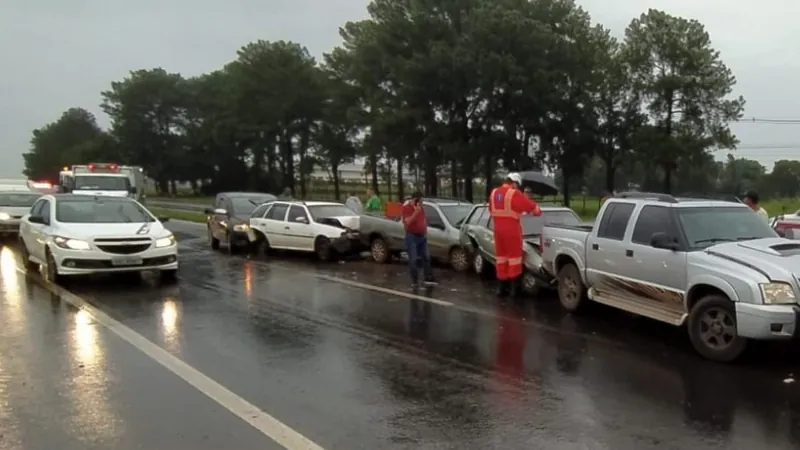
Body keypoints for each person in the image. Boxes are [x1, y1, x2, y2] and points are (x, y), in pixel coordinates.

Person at [489, 172, 541, 298]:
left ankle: (501, 289)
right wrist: (537, 210)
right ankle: (514, 290)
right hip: (511, 231)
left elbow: (491, 210)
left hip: (498, 231)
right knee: (514, 259)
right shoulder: (513, 193)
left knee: (501, 259)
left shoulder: (494, 193)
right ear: (514, 183)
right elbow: (530, 206)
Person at [401, 191, 437, 288]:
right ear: (414, 199)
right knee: (413, 259)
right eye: (419, 200)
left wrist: (424, 229)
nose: (421, 202)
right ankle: (415, 280)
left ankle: (427, 277)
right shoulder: (406, 208)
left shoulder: (421, 208)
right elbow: (407, 222)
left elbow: (423, 219)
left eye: (421, 201)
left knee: (426, 257)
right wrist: (415, 213)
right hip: (411, 236)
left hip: (422, 235)